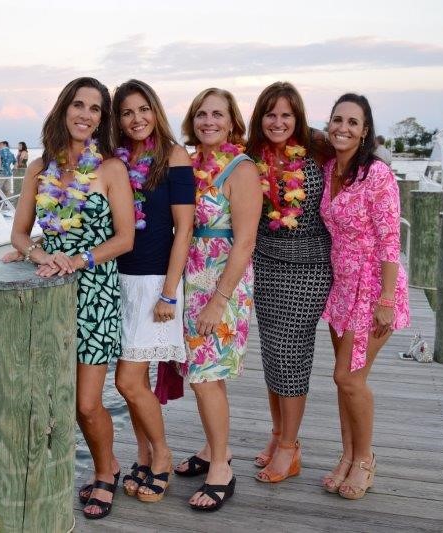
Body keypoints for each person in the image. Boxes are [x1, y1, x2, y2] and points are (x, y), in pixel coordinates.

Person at [8, 77, 134, 519]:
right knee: (56, 401)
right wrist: (40, 254)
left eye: (96, 109)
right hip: (50, 296)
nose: (85, 114)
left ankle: (105, 471)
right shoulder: (39, 168)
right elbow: (19, 233)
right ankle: (98, 465)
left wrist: (78, 260)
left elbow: (124, 239)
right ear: (63, 110)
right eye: (78, 105)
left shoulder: (111, 170)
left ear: (102, 119)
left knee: (86, 401)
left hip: (95, 294)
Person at [174, 88, 262, 511]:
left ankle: (222, 470)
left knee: (206, 375)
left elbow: (245, 244)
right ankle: (213, 448)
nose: (209, 121)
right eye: (202, 114)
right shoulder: (190, 166)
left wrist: (217, 300)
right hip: (192, 281)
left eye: (218, 115)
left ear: (232, 123)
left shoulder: (241, 171)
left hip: (221, 286)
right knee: (203, 373)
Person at [319, 93, 409, 499]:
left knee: (349, 378)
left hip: (374, 286)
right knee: (344, 383)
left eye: (353, 122)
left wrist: (387, 299)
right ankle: (347, 455)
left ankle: (365, 459)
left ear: (365, 130)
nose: (343, 127)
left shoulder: (377, 174)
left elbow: (391, 239)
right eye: (338, 119)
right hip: (341, 286)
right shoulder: (328, 170)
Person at [110, 79, 195, 503]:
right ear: (118, 119)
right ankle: (142, 455)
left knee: (127, 381)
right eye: (127, 112)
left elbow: (184, 229)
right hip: (119, 280)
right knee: (134, 379)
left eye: (143, 109)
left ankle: (161, 455)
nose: (137, 118)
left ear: (155, 110)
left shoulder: (174, 156)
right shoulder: (116, 161)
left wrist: (169, 292)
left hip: (153, 284)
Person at [245, 82, 333, 483]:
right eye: (270, 114)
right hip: (266, 263)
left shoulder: (319, 149)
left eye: (286, 114)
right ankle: (278, 434)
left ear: (297, 117)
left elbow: (361, 168)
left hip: (310, 267)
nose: (278, 122)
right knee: (272, 354)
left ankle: (289, 448)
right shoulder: (251, 158)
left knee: (292, 355)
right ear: (259, 118)